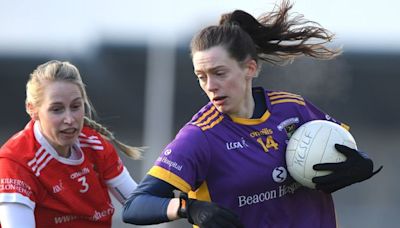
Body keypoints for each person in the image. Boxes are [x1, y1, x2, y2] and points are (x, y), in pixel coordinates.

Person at [123, 1, 382, 227]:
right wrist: (189, 209)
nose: (210, 86)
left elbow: (346, 152)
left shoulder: (293, 109)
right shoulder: (200, 136)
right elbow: (135, 206)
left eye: (219, 73)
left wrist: (362, 164)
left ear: (250, 68)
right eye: (201, 77)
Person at [0, 60, 142, 228]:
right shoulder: (16, 162)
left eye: (75, 107)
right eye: (57, 109)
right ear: (32, 109)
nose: (69, 119)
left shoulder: (94, 144)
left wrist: (178, 206)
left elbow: (138, 205)